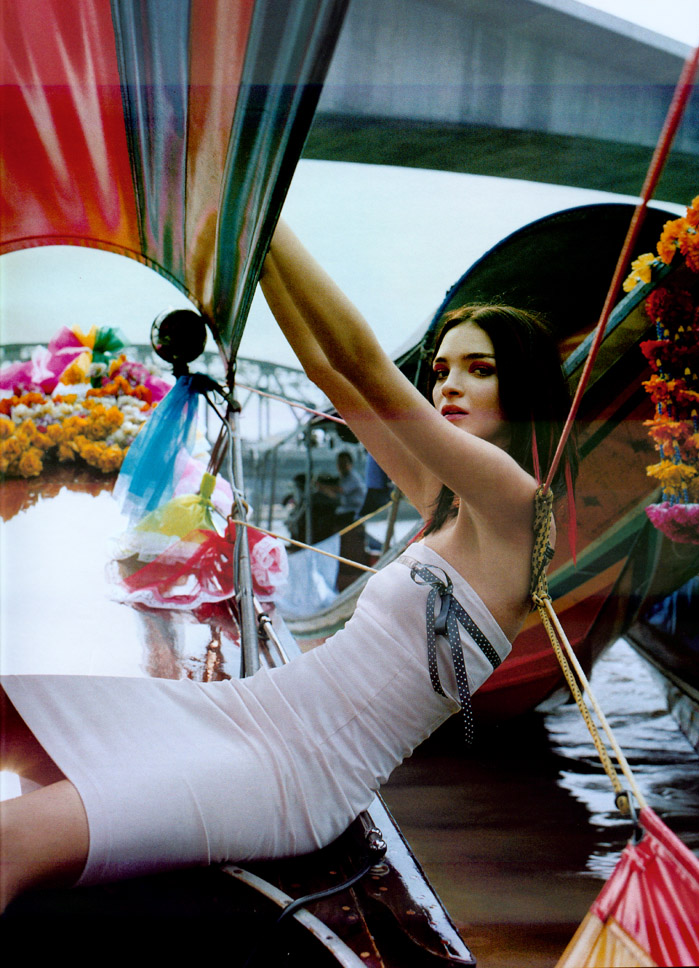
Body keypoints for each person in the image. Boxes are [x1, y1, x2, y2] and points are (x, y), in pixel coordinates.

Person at [0, 217, 574, 912]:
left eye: (479, 370)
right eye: (442, 370)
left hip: (295, 774)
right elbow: (332, 371)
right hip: (253, 713)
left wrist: (262, 221)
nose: (449, 386)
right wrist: (252, 248)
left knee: (9, 841)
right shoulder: (447, 503)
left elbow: (364, 365)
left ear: (526, 387)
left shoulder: (518, 506)